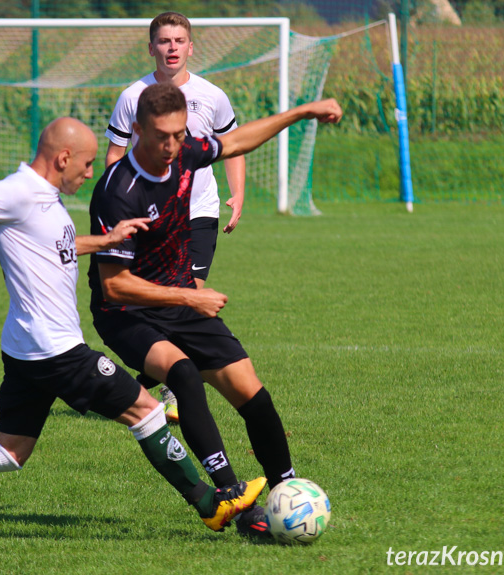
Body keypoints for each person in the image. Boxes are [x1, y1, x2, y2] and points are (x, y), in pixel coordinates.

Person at [0, 117, 266, 541]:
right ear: (63, 158)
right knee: (147, 410)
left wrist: (107, 240)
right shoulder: (17, 191)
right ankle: (212, 503)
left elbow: (56, 244)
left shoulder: (45, 199)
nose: (91, 172)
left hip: (26, 347)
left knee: (10, 450)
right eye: (88, 163)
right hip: (55, 348)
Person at [88, 84, 342, 537]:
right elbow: (113, 285)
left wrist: (302, 111)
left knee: (254, 397)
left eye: (179, 135)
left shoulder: (184, 152)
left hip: (181, 297)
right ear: (137, 130)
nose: (171, 146)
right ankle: (234, 500)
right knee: (182, 374)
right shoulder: (117, 190)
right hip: (127, 311)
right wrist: (190, 296)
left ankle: (286, 491)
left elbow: (238, 141)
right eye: (162, 136)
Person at [105, 11, 246, 422]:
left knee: (188, 298)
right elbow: (115, 155)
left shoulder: (212, 95)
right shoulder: (133, 96)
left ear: (190, 47)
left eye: (179, 40)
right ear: (151, 48)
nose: (171, 48)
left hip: (199, 213)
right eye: (164, 41)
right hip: (151, 218)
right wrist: (116, 208)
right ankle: (148, 387)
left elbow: (230, 145)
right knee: (166, 307)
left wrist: (238, 193)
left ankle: (167, 390)